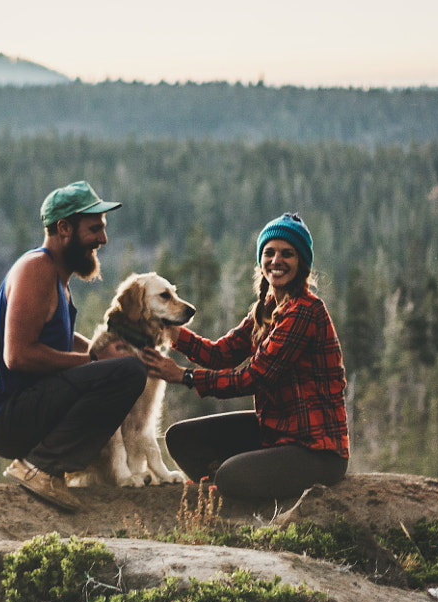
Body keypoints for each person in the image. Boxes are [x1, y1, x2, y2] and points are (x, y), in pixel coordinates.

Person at [142, 212, 349, 502]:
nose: (276, 261)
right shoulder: (266, 308)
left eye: (287, 254)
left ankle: (236, 490)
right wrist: (174, 332)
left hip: (315, 450)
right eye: (269, 252)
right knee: (181, 438)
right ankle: (233, 493)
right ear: (260, 260)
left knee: (230, 476)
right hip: (274, 432)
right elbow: (221, 354)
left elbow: (254, 377)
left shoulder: (305, 311)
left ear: (302, 263)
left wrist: (184, 376)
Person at [0, 180, 147, 511]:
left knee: (122, 367)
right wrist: (94, 363)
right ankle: (42, 468)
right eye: (94, 229)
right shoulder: (36, 268)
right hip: (5, 419)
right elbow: (19, 355)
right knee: (129, 373)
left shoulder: (56, 278)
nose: (103, 239)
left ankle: (55, 466)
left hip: (21, 412)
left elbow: (56, 339)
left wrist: (99, 352)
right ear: (64, 228)